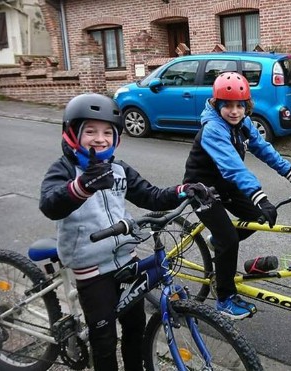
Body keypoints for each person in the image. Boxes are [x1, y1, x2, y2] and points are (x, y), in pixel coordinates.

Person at [39, 93, 211, 371]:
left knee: (135, 325)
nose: (100, 138)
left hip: (124, 257)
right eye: (90, 131)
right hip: (91, 267)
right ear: (73, 134)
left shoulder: (118, 170)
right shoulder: (65, 170)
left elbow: (150, 196)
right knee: (104, 339)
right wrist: (83, 186)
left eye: (108, 132)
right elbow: (50, 205)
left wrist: (184, 190)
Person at [183, 72, 291, 320]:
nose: (234, 111)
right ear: (217, 104)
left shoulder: (243, 124)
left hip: (226, 185)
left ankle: (218, 242)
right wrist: (261, 196)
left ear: (247, 106)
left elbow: (264, 149)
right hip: (202, 189)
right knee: (229, 240)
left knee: (258, 217)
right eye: (228, 105)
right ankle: (224, 299)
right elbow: (233, 167)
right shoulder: (213, 128)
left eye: (240, 106)